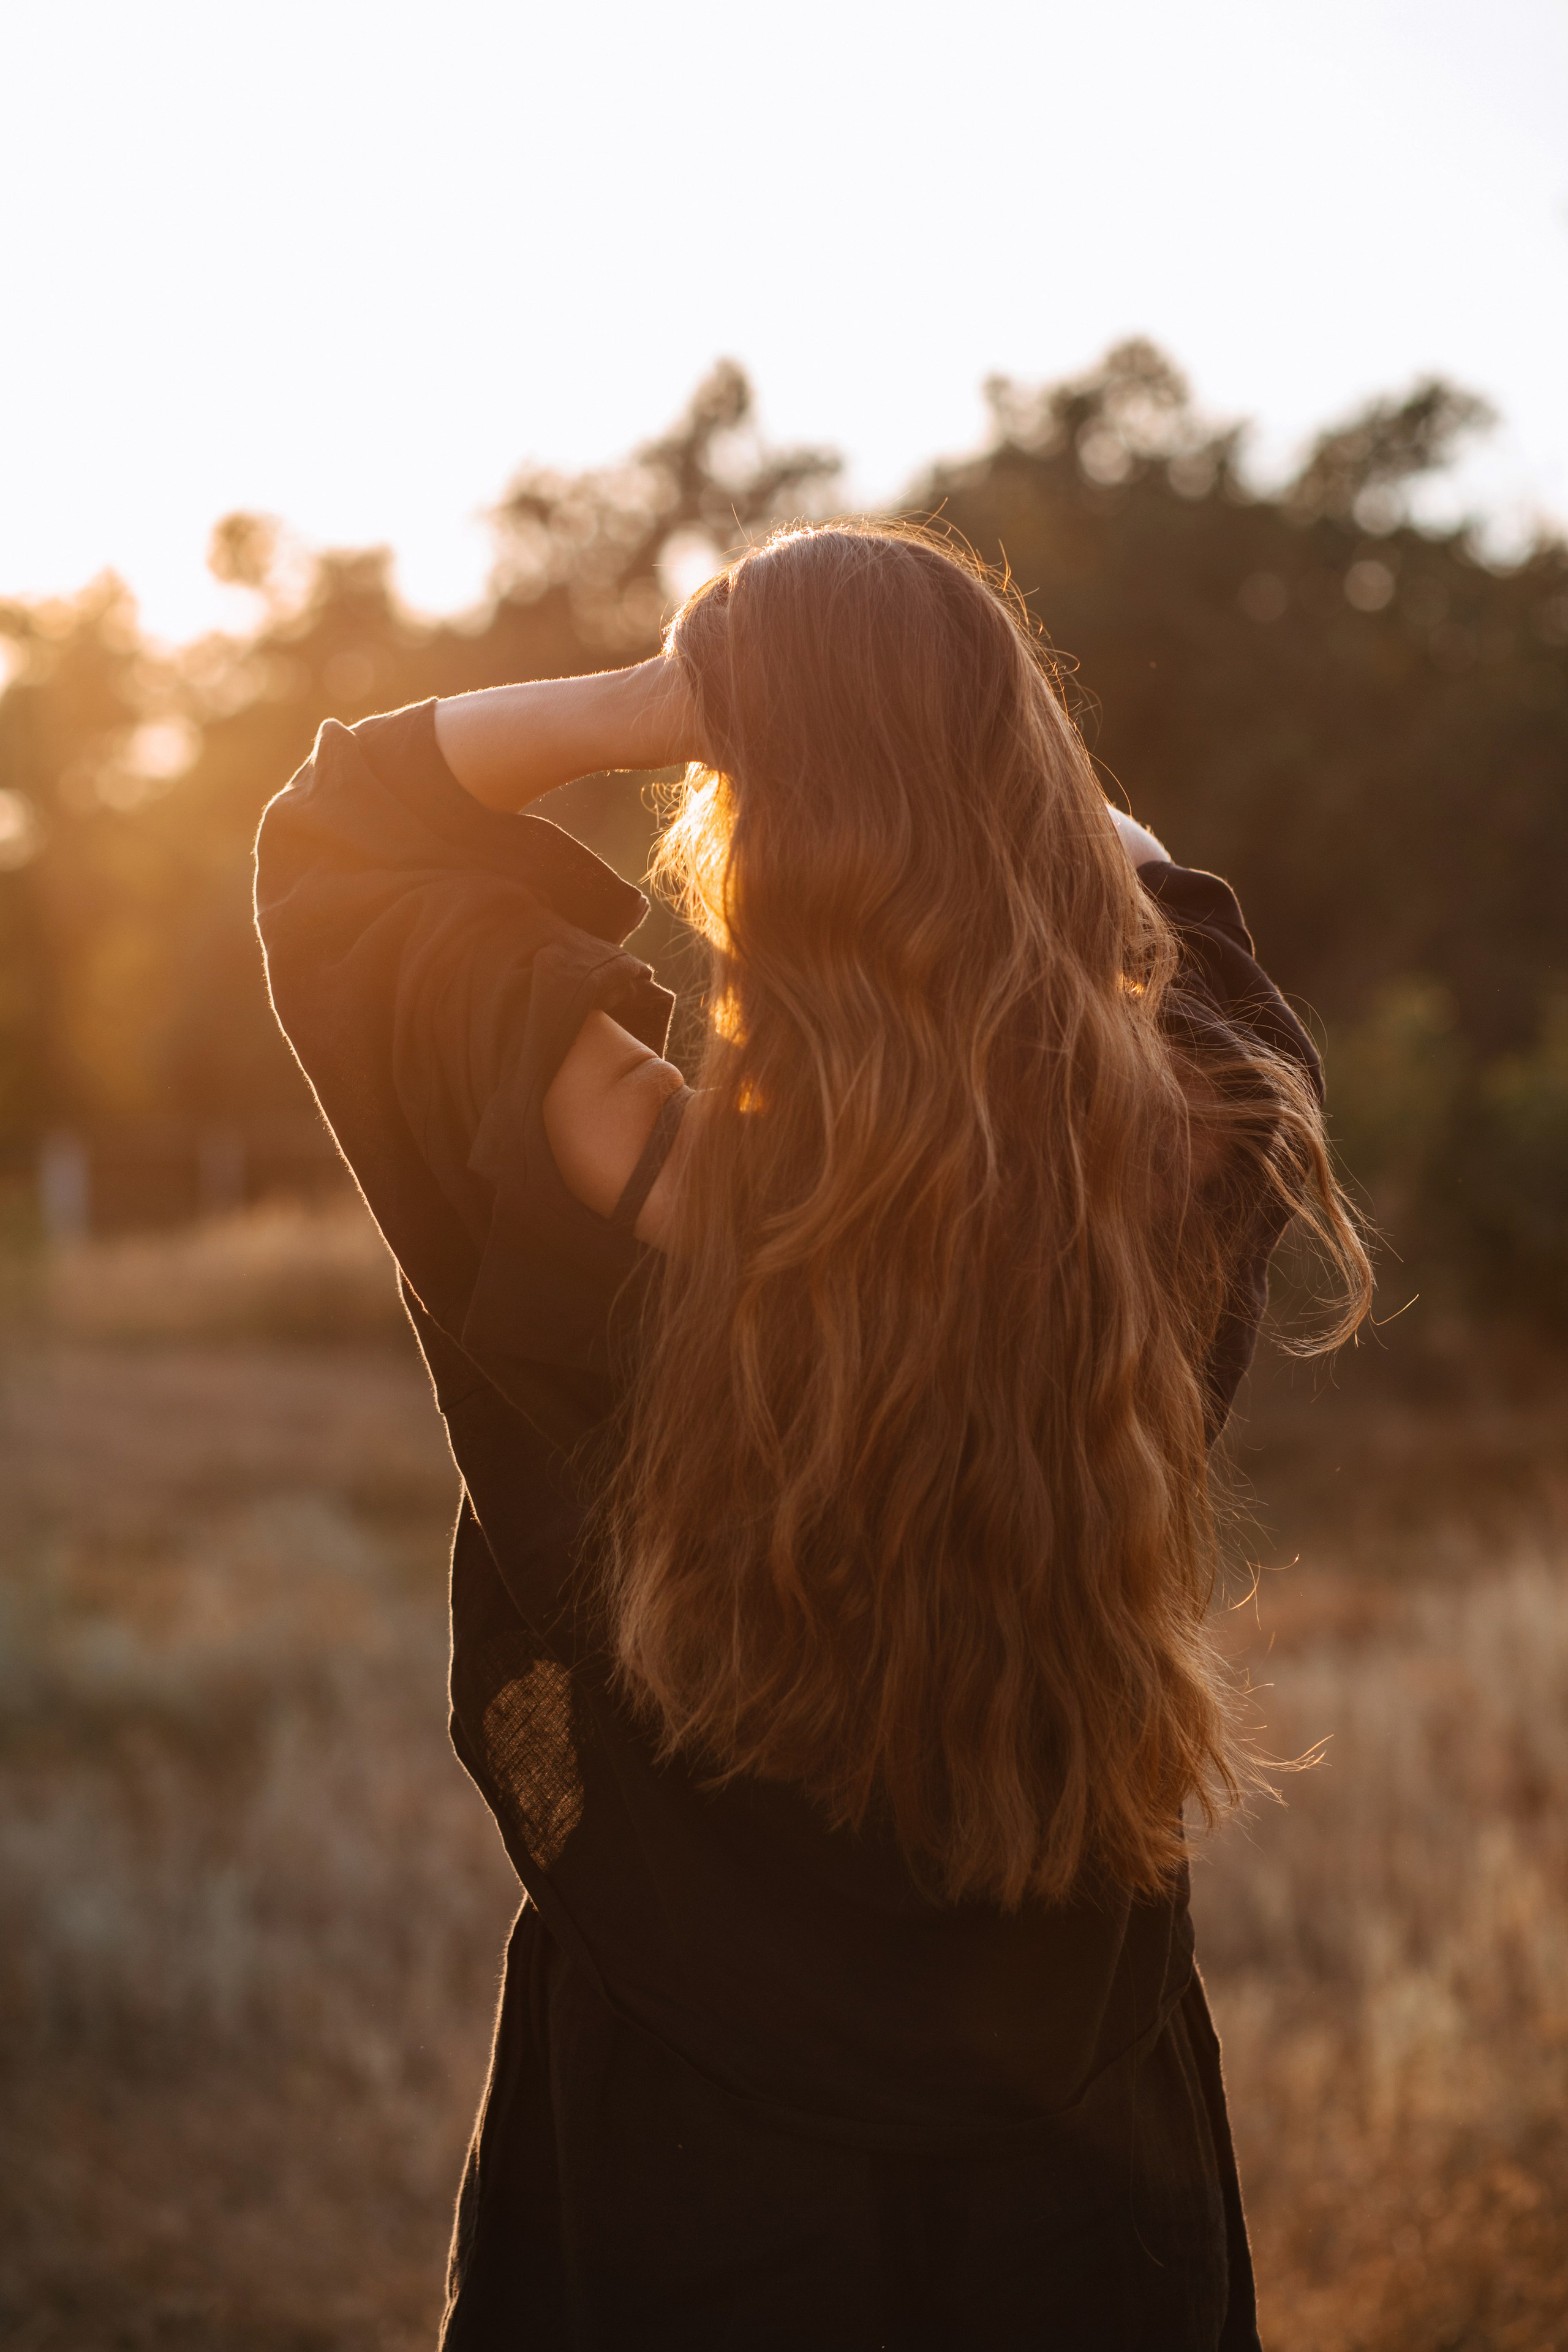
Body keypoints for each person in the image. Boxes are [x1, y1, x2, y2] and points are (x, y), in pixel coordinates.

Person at [255, 521, 1368, 2350]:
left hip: (683, 2154)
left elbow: (345, 833)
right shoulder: (1145, 1204)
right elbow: (1207, 949)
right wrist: (974, 748)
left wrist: (670, 700)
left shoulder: (620, 1174)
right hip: (1083, 2173)